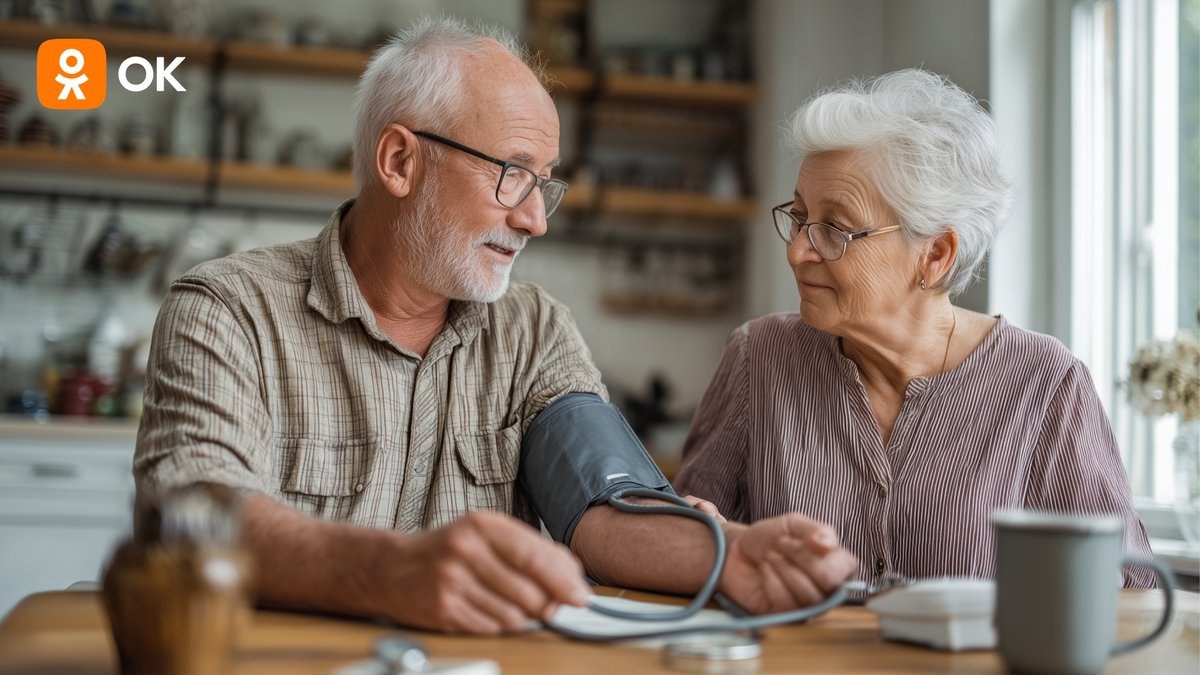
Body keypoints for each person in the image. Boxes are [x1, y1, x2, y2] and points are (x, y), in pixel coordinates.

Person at [133, 17, 858, 635]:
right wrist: (394, 571)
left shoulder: (532, 330)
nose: (535, 218)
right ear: (398, 161)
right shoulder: (228, 310)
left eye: (546, 183)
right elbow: (191, 518)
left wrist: (732, 554)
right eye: (512, 173)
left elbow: (604, 507)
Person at [674, 68, 1156, 588]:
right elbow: (680, 551)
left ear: (935, 254)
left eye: (834, 228)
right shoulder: (758, 358)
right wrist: (698, 536)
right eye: (798, 217)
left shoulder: (1046, 384)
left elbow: (1127, 597)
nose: (797, 251)